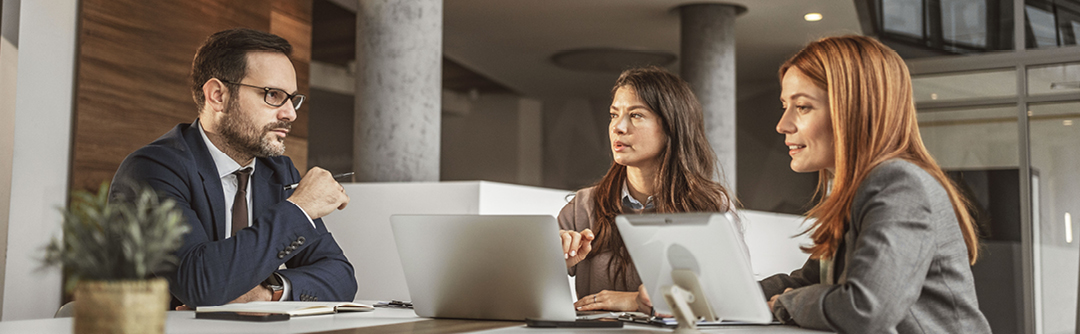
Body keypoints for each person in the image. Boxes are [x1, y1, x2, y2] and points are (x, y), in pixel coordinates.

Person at [110, 28, 357, 307]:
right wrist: (299, 210)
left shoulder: (278, 171)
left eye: (292, 99)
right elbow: (200, 284)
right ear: (218, 96)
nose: (291, 113)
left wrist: (268, 292)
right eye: (273, 95)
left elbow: (341, 277)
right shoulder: (151, 170)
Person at [762, 35, 991, 333]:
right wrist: (724, 297)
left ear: (853, 110)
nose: (783, 124)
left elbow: (866, 308)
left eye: (802, 107)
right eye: (785, 105)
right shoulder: (857, 189)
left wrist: (785, 304)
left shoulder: (899, 184)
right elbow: (812, 281)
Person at [559, 66, 745, 313]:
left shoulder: (712, 207)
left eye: (635, 115)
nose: (618, 127)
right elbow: (527, 288)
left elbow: (734, 299)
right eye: (614, 115)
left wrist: (638, 301)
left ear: (671, 126)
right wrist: (553, 260)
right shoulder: (581, 207)